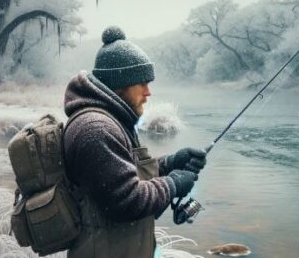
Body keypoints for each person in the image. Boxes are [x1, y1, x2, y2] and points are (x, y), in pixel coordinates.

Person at [63, 26, 207, 258]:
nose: (148, 92)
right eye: (142, 83)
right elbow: (125, 200)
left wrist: (170, 163)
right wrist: (172, 184)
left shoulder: (111, 120)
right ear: (120, 83)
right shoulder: (96, 128)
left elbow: (122, 173)